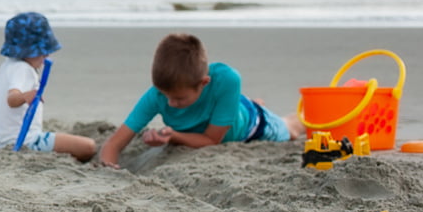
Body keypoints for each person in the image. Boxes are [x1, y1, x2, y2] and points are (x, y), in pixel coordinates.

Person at [99, 33, 306, 168]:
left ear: (204, 83)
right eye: (165, 96)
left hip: (252, 126)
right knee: (231, 108)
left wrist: (172, 136)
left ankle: (286, 113)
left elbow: (211, 140)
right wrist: (109, 167)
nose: (170, 103)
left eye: (179, 98)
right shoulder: (157, 94)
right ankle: (247, 104)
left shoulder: (227, 79)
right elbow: (114, 143)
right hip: (223, 113)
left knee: (292, 130)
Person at [0, 12, 96, 161]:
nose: (46, 56)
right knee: (88, 147)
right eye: (42, 52)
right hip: (25, 141)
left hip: (3, 140)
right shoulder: (23, 69)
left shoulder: (8, 65)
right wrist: (26, 96)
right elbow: (12, 99)